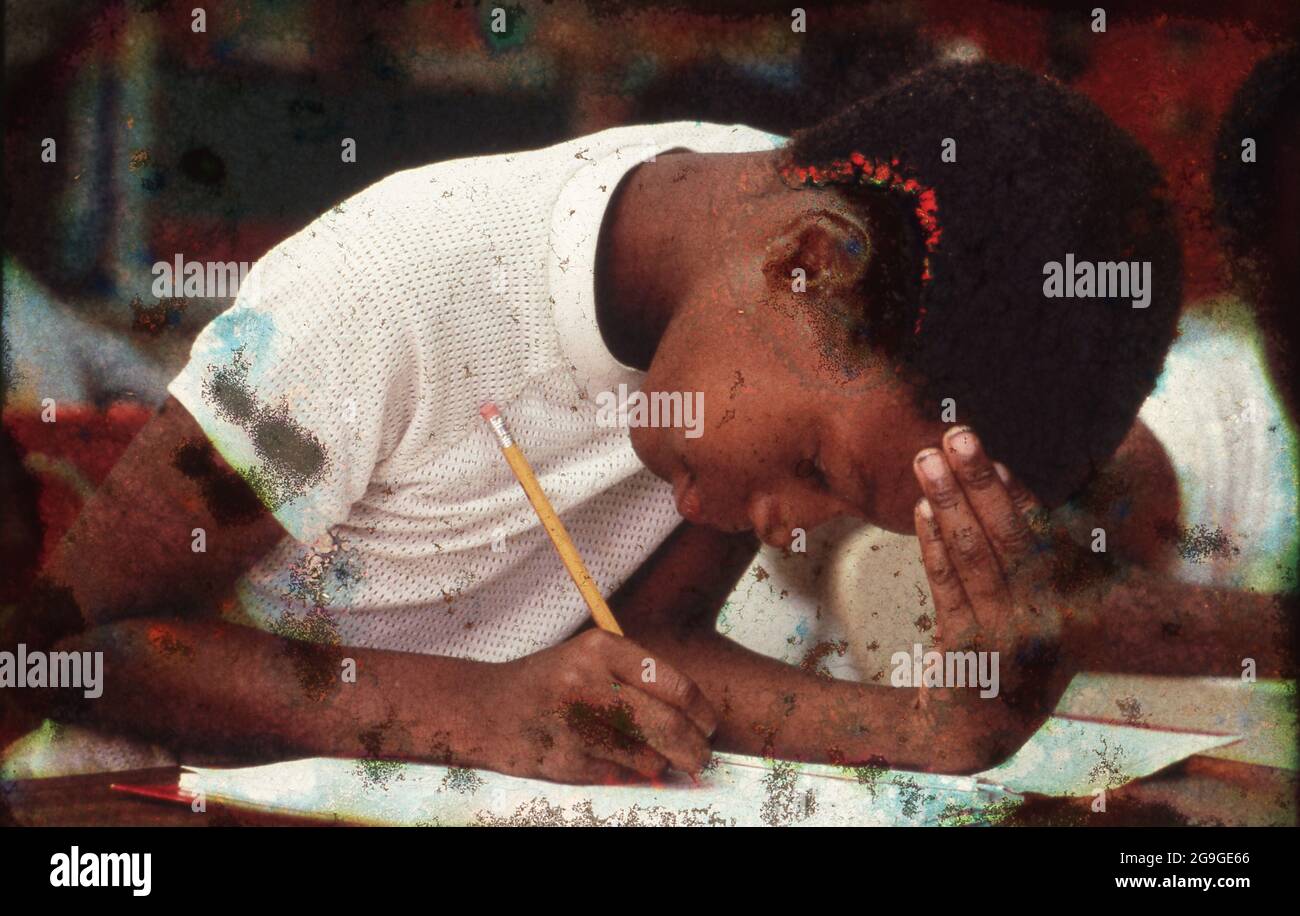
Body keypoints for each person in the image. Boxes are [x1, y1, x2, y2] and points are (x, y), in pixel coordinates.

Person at [5, 62, 1194, 782]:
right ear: (803, 263)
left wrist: (949, 724)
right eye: (813, 464)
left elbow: (651, 646)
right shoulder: (384, 294)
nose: (784, 527)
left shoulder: (752, 262)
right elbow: (63, 645)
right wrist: (478, 707)